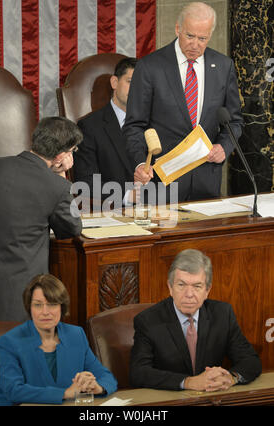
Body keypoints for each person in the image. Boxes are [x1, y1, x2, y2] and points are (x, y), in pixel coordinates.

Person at [123, 2, 243, 203]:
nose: (195, 44)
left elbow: (234, 121)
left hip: (207, 183)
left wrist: (224, 146)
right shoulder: (150, 67)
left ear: (210, 36)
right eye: (190, 36)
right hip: (162, 184)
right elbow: (134, 126)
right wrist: (139, 164)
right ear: (178, 29)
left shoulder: (223, 66)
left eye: (202, 38)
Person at [0, 117, 82, 321]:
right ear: (60, 156)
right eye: (72, 151)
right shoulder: (57, 187)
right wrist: (62, 175)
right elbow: (73, 228)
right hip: (18, 303)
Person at [130, 249, 262, 391]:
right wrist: (188, 382)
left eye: (197, 286)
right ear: (170, 287)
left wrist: (231, 378)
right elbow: (138, 373)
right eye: (181, 285)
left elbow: (251, 361)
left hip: (212, 398)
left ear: (207, 290)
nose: (189, 294)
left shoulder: (222, 314)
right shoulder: (147, 321)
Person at [0, 274, 117, 406]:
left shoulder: (76, 334)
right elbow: (13, 390)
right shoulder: (9, 342)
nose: (45, 312)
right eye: (38, 305)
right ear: (29, 308)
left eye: (52, 304)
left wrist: (97, 387)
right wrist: (66, 393)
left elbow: (106, 376)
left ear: (62, 307)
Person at [73, 57, 137, 208]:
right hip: (111, 211)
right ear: (115, 82)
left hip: (157, 208)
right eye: (130, 82)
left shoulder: (155, 124)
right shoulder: (89, 126)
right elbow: (85, 182)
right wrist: (128, 195)